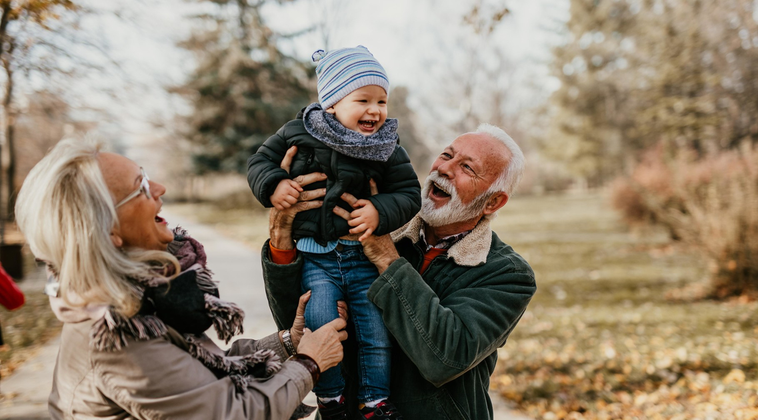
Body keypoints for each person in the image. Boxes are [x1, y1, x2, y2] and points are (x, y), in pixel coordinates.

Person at [14, 137, 348, 420]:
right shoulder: (118, 336)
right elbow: (231, 412)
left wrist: (288, 341)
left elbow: (201, 378)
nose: (160, 188)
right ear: (107, 229)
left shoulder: (136, 298)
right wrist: (309, 363)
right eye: (141, 187)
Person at [261, 124, 536, 420]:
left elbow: (445, 357)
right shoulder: (373, 224)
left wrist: (386, 257)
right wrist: (282, 239)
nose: (444, 169)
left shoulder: (507, 273)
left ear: (493, 201)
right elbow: (302, 327)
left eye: (467, 167)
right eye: (446, 155)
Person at [247, 46, 420, 419]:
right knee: (320, 323)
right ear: (332, 102)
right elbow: (259, 162)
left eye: (382, 101)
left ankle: (374, 402)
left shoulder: (387, 146)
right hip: (317, 257)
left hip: (361, 257)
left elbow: (408, 193)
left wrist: (379, 209)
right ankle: (330, 399)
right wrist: (275, 184)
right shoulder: (299, 131)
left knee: (375, 333)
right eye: (363, 99)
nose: (375, 110)